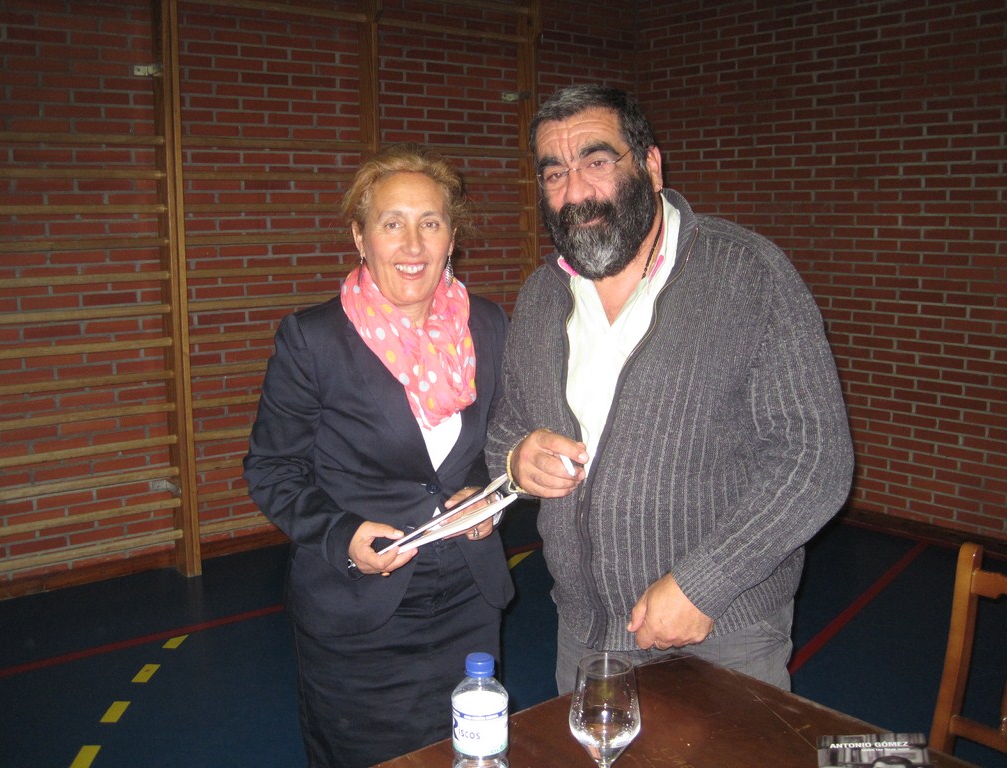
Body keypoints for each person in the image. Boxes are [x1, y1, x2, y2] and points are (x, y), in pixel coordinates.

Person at [486, 84, 854, 694]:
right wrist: (515, 459)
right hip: (583, 636)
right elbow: (505, 428)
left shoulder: (748, 275)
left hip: (722, 631)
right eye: (555, 174)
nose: (575, 192)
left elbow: (815, 459)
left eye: (596, 162)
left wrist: (704, 583)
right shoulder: (541, 296)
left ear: (651, 166)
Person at [244, 143, 514, 767]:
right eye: (392, 224)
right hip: (358, 611)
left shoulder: (490, 326)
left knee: (468, 756)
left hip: (467, 601)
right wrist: (341, 534)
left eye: (431, 223)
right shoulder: (314, 339)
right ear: (360, 238)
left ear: (452, 237)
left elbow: (503, 441)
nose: (413, 244)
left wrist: (488, 497)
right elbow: (273, 469)